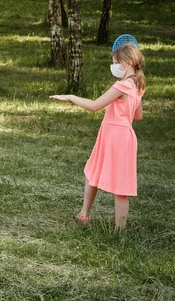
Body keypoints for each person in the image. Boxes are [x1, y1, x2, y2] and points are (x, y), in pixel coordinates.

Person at [50, 44, 145, 231]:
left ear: (127, 63)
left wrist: (70, 97)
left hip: (114, 137)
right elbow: (138, 116)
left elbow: (95, 106)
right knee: (97, 174)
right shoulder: (138, 85)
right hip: (124, 136)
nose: (114, 66)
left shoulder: (122, 85)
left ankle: (92, 218)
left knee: (110, 182)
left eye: (116, 62)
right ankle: (89, 217)